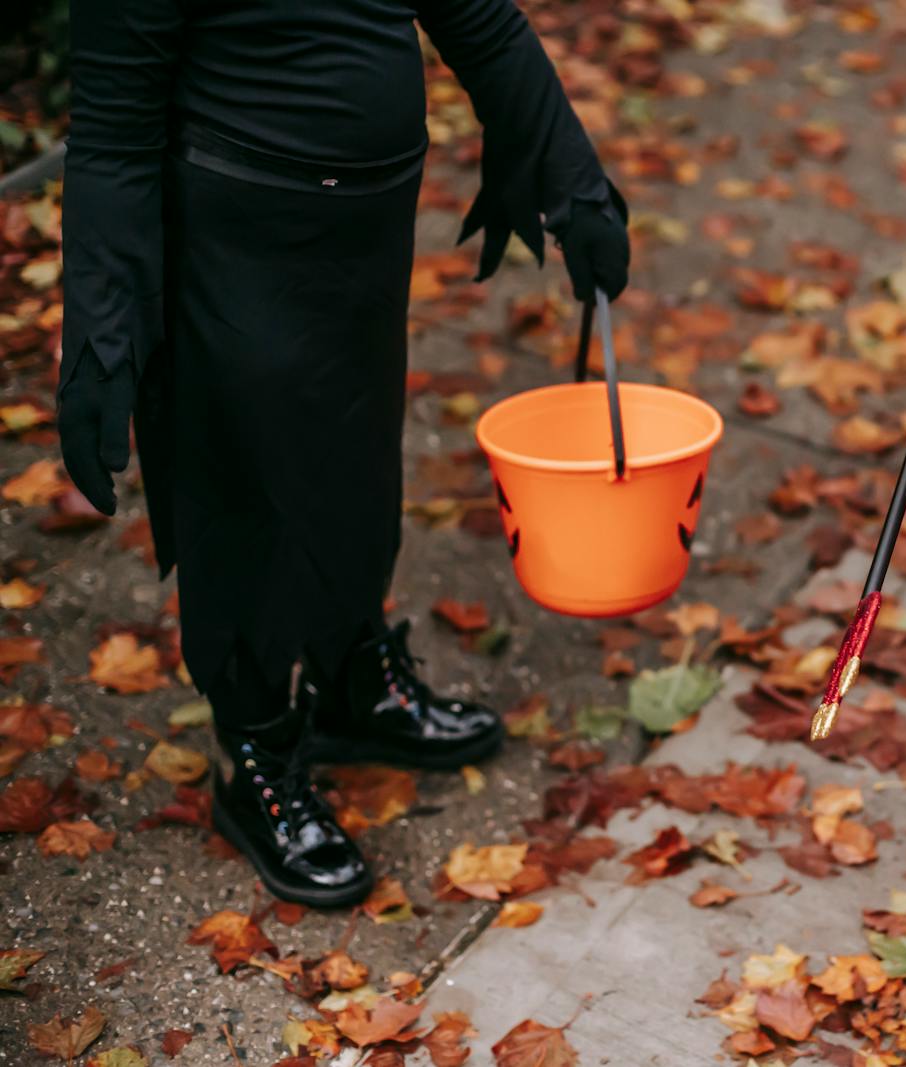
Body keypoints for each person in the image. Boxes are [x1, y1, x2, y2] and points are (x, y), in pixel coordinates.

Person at [58, 0, 630, 907]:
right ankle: (253, 750)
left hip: (367, 221)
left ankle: (351, 676)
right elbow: (113, 132)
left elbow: (474, 11)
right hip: (234, 233)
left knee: (357, 457)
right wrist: (98, 327)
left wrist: (570, 169)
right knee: (240, 482)